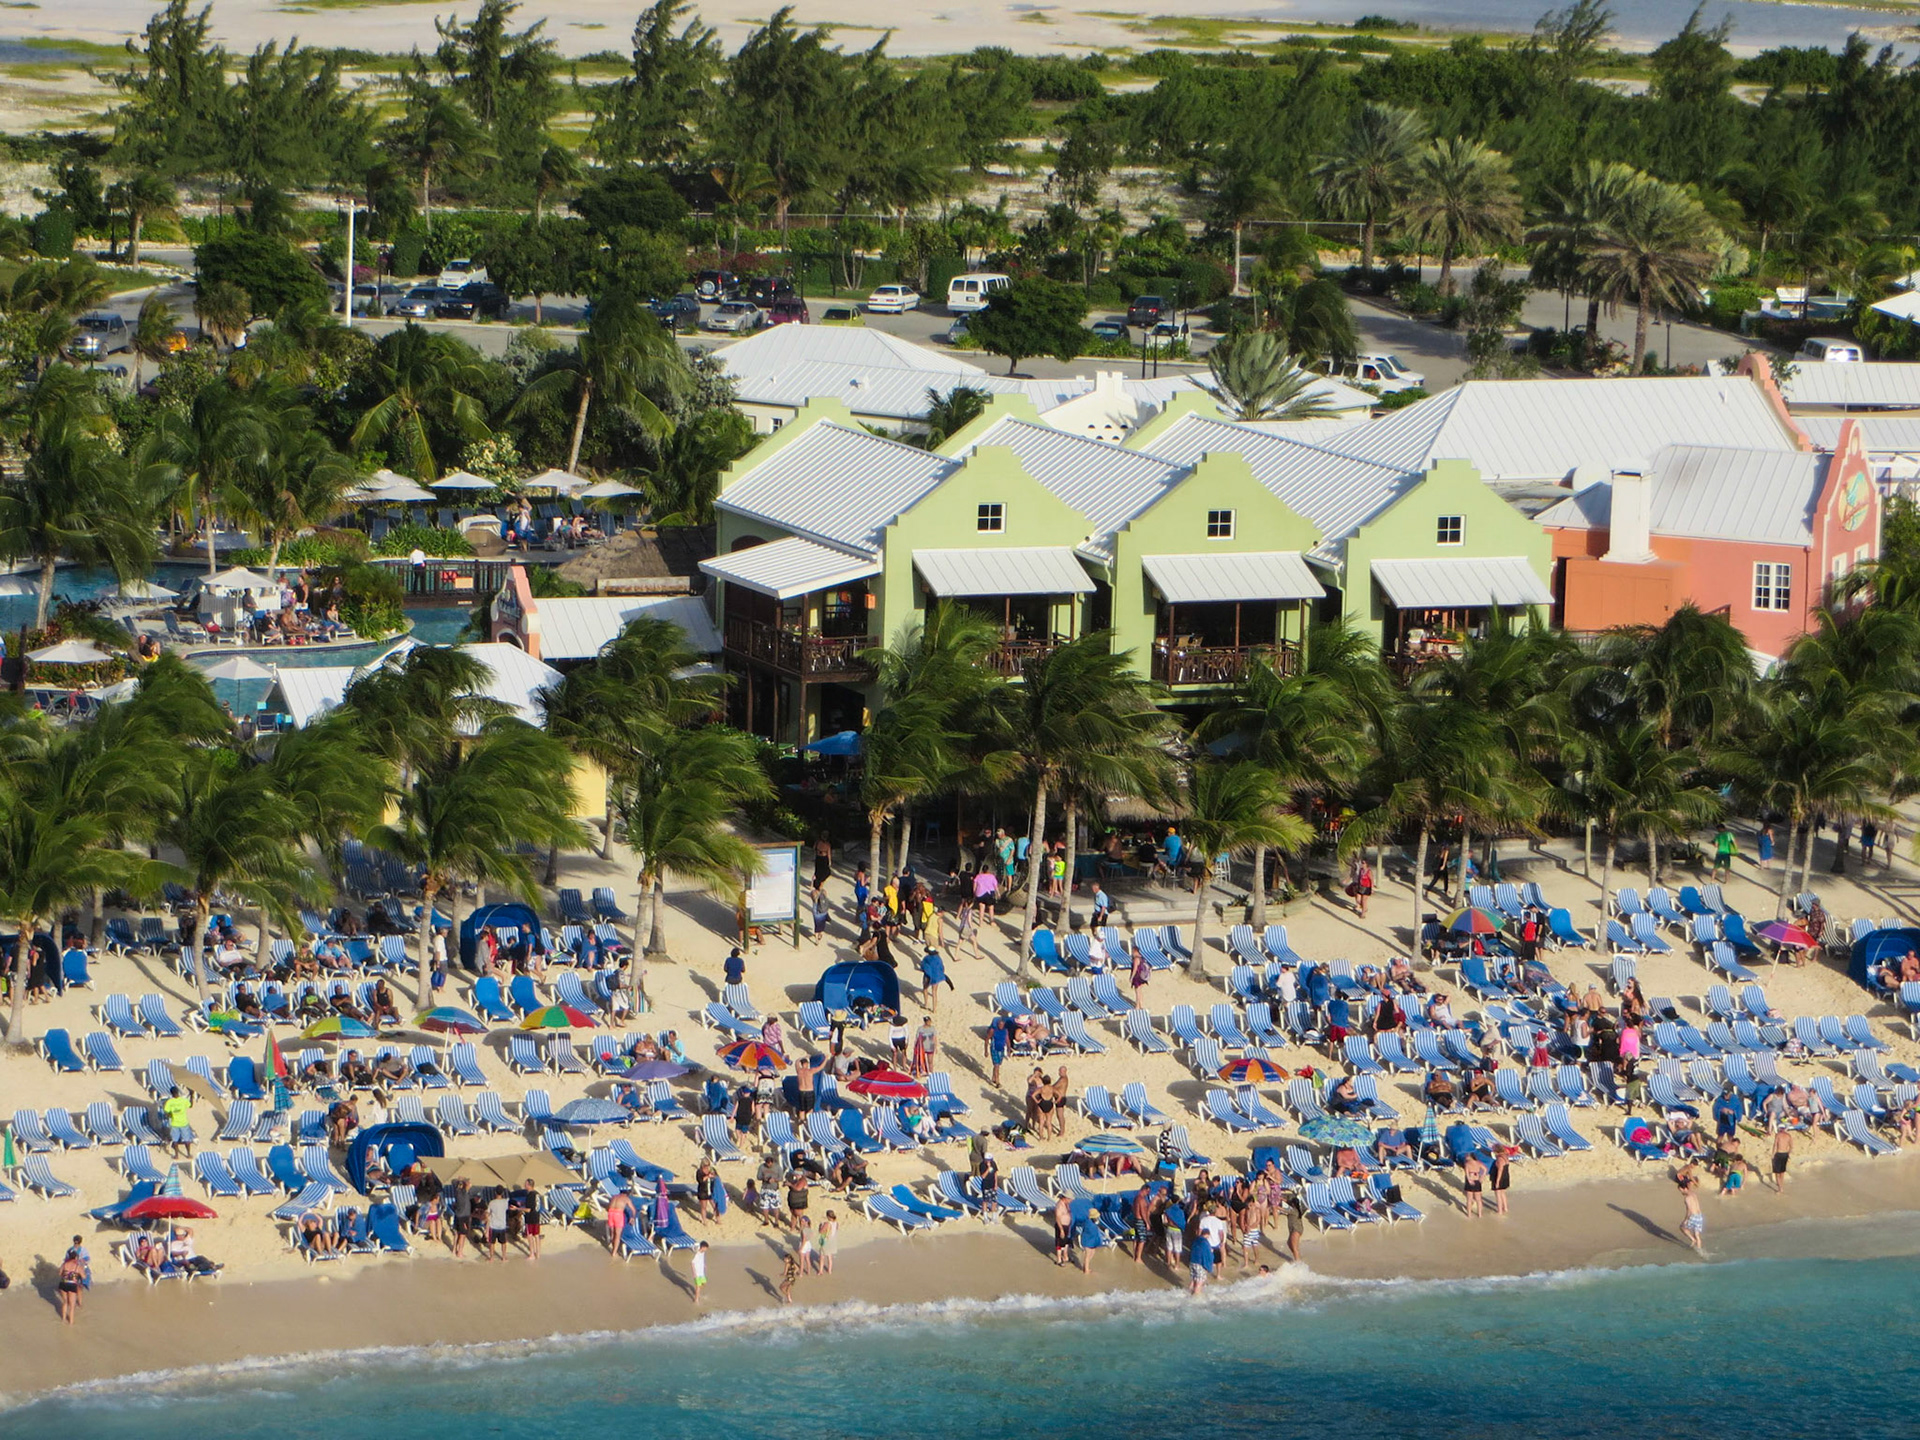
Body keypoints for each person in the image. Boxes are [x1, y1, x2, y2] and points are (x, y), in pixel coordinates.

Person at [1677, 1165, 1705, 1251]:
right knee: (1697, 1235)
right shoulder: (1693, 1194)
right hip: (1700, 1216)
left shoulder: (1687, 1198)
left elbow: (1688, 1210)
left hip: (1693, 1216)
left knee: (1682, 1227)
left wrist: (1685, 1220)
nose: (1680, 1191)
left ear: (1684, 1188)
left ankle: (1692, 1240)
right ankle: (1700, 1251)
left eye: (1680, 1190)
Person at [57, 1248, 86, 1325]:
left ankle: (63, 1319)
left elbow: (60, 1273)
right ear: (76, 1257)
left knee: (65, 1302)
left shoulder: (64, 1264)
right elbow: (83, 1277)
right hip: (72, 1284)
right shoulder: (77, 1266)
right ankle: (71, 1323)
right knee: (72, 1306)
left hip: (63, 1284)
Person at [1490, 1147, 1512, 1216]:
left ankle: (1499, 1211)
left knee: (1498, 1194)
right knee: (1503, 1193)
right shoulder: (1505, 1157)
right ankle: (1505, 1208)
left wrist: (1497, 1181)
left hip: (1500, 1177)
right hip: (1506, 1177)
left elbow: (1500, 1170)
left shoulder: (1499, 1159)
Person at [1462, 1153, 1485, 1218]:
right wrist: (1482, 1176)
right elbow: (1485, 1169)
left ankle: (1469, 1215)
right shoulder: (1478, 1163)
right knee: (1478, 1199)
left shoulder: (1467, 1164)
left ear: (1470, 1157)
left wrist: (1469, 1180)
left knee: (1469, 1199)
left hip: (1470, 1180)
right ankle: (1480, 1214)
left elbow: (1466, 1173)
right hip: (1477, 1180)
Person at [1771, 1125, 1793, 1193]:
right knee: (1782, 1172)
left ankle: (1780, 1188)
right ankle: (1781, 1185)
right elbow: (1791, 1147)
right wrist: (1788, 1154)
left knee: (1777, 1172)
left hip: (1778, 1153)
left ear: (1779, 1129)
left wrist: (1772, 1154)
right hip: (1785, 1154)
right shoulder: (1788, 1136)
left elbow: (1775, 1145)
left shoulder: (1778, 1135)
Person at [818, 1210, 838, 1275]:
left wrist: (820, 1226)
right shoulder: (836, 1223)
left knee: (822, 1256)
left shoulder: (827, 1223)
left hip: (826, 1240)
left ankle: (820, 1271)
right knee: (830, 1257)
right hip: (832, 1240)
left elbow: (821, 1231)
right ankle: (829, 1270)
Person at [691, 1240, 708, 1304]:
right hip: (697, 1273)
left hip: (702, 1272)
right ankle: (696, 1300)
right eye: (706, 1248)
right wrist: (694, 1273)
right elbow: (692, 1263)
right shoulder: (697, 1254)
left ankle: (697, 1293)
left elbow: (702, 1259)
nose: (706, 1249)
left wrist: (704, 1265)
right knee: (698, 1286)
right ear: (703, 1247)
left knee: (704, 1283)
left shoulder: (703, 1253)